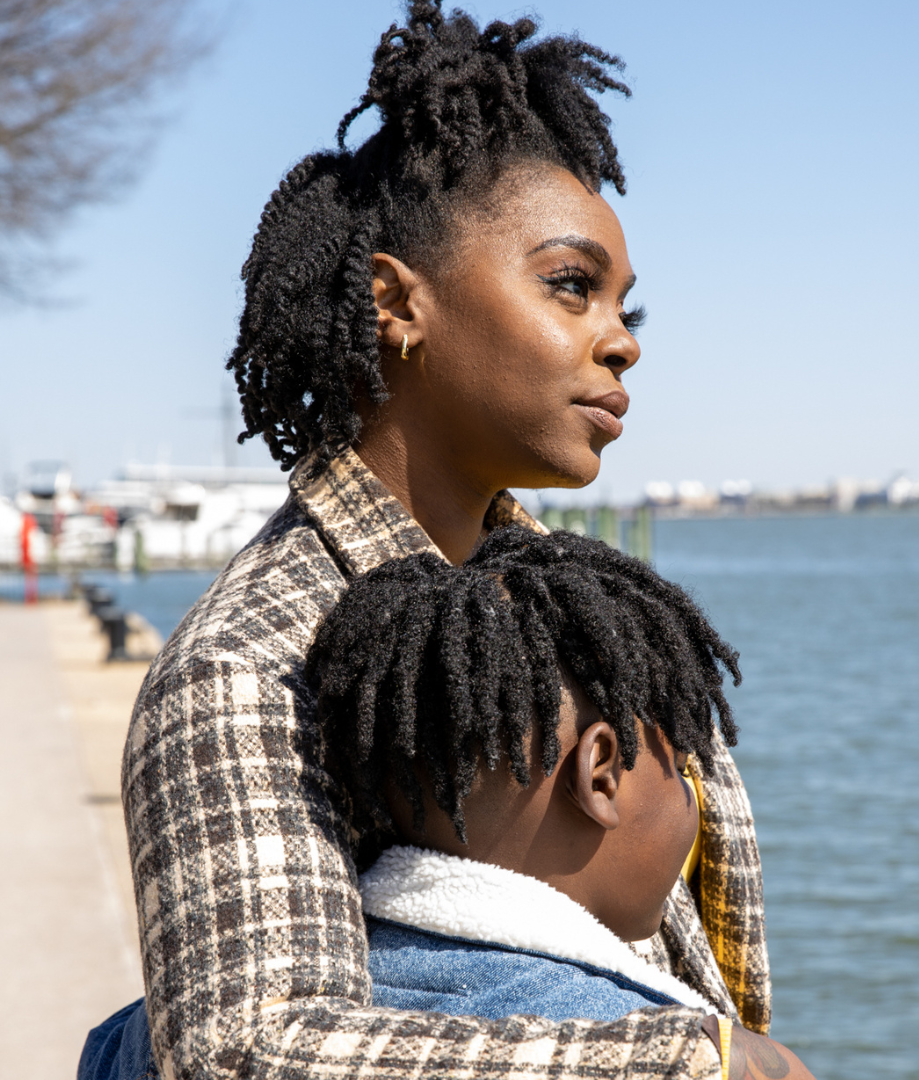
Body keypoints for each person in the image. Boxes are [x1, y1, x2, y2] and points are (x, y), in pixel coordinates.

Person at [78, 3, 769, 1079]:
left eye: (630, 307)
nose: (622, 342)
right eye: (572, 286)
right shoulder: (246, 670)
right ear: (397, 303)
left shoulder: (587, 608)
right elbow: (249, 1051)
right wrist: (697, 1064)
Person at [305, 527, 814, 1080]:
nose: (693, 798)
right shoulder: (659, 1047)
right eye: (684, 769)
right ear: (601, 776)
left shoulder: (357, 993)